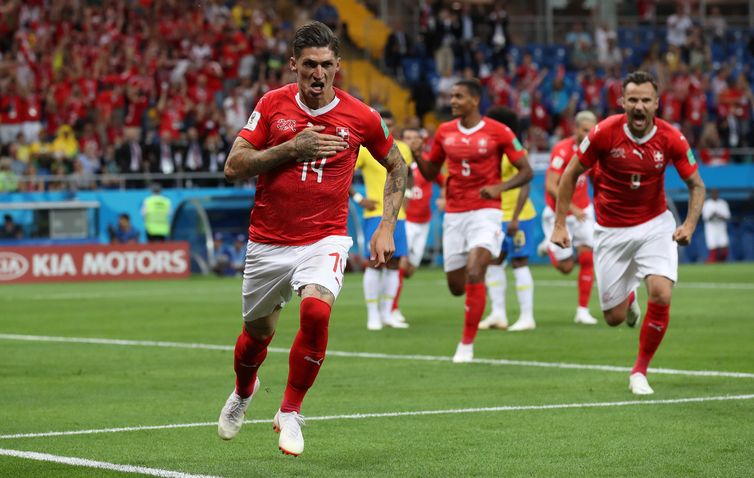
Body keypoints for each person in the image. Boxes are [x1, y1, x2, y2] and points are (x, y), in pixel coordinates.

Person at [218, 21, 407, 456]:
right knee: (256, 336)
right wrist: (290, 149)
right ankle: (245, 391)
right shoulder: (271, 106)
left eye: (326, 65)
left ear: (338, 66)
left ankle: (290, 411)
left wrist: (386, 225)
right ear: (293, 65)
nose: (317, 74)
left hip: (325, 237)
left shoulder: (362, 117)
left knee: (317, 311)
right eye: (308, 66)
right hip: (268, 241)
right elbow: (234, 165)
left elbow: (397, 166)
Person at [551, 70, 705, 395]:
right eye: (632, 99)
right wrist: (560, 223)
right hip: (610, 231)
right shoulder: (603, 132)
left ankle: (639, 371)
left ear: (657, 103)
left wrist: (689, 224)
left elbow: (696, 185)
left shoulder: (672, 138)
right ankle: (628, 294)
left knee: (662, 293)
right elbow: (569, 175)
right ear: (622, 101)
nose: (638, 106)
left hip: (654, 224)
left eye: (645, 100)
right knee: (613, 317)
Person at [414, 79, 532, 363]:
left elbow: (526, 171)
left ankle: (466, 344)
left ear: (475, 100)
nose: (452, 101)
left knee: (476, 270)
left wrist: (499, 188)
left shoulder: (499, 132)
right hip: (454, 214)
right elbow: (430, 174)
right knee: (457, 286)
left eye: (458, 97)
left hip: (486, 212)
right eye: (451, 96)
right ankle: (481, 292)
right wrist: (419, 154)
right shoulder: (444, 132)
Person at [477, 106, 538, 332]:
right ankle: (498, 313)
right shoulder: (494, 150)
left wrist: (514, 218)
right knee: (494, 261)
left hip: (518, 216)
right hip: (496, 216)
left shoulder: (516, 150)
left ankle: (526, 316)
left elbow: (525, 185)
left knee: (519, 262)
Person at [352, 110, 412, 330]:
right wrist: (359, 198)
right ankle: (373, 314)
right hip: (375, 213)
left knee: (395, 263)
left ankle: (388, 313)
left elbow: (408, 174)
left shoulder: (403, 148)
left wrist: (407, 198)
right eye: (383, 124)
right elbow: (346, 171)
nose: (387, 128)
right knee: (375, 262)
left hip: (398, 216)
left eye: (390, 124)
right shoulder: (366, 150)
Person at [540, 110, 599, 325]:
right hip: (561, 212)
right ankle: (549, 247)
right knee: (566, 269)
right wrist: (571, 208)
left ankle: (582, 311)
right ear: (575, 129)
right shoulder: (562, 150)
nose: (588, 134)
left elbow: (595, 178)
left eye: (591, 130)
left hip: (584, 211)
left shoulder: (594, 149)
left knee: (587, 258)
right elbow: (550, 184)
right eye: (584, 130)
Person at [393, 128, 446, 316]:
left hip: (424, 221)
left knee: (409, 270)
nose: (411, 141)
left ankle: (388, 293)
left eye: (415, 138)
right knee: (400, 263)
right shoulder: (397, 161)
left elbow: (444, 181)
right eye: (407, 137)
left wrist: (444, 198)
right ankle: (393, 308)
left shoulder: (426, 164)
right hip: (405, 220)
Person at [702, 188, 730, 262]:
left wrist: (719, 215)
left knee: (724, 245)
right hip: (711, 227)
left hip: (721, 227)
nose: (715, 195)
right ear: (711, 194)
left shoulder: (723, 203)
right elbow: (705, 217)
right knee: (712, 245)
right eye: (713, 193)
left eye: (716, 193)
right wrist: (712, 215)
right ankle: (712, 261)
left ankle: (721, 261)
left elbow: (727, 216)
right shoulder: (707, 203)